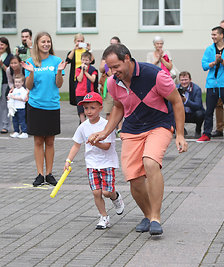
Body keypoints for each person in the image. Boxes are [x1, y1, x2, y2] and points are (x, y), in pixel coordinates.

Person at [88, 44, 188, 236]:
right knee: (133, 177)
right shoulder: (112, 82)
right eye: (110, 68)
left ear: (127, 58)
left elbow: (176, 101)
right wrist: (105, 131)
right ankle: (148, 215)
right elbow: (118, 106)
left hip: (158, 125)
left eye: (116, 66)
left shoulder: (155, 75)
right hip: (132, 129)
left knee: (150, 163)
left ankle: (156, 218)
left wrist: (181, 134)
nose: (113, 72)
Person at [64, 92, 124, 229]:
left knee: (107, 192)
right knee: (96, 192)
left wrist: (94, 142)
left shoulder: (107, 125)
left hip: (107, 163)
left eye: (92, 108)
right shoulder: (83, 127)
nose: (89, 112)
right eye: (86, 109)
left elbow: (107, 146)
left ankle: (116, 197)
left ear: (100, 108)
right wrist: (68, 160)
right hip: (92, 164)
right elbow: (76, 145)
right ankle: (104, 217)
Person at [21, 32, 66, 187]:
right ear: (37, 44)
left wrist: (59, 71)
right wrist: (31, 73)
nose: (46, 44)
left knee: (51, 141)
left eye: (48, 41)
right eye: (43, 42)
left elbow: (59, 84)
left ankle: (49, 174)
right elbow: (29, 86)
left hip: (52, 105)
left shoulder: (56, 61)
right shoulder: (30, 62)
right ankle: (40, 174)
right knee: (38, 140)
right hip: (36, 105)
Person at [99, 36, 123, 133]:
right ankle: (109, 129)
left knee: (119, 107)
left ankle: (120, 128)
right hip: (109, 88)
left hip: (119, 86)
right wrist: (106, 64)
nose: (112, 46)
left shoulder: (122, 55)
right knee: (108, 109)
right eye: (111, 44)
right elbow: (102, 69)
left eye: (114, 44)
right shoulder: (106, 57)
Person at [66, 33, 95, 106]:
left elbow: (93, 61)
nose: (80, 42)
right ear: (75, 41)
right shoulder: (72, 52)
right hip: (76, 76)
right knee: (76, 97)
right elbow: (68, 60)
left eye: (81, 41)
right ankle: (80, 111)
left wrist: (89, 50)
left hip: (85, 75)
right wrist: (74, 49)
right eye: (78, 41)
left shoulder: (85, 52)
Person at [176, 71, 205, 137]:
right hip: (182, 114)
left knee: (200, 113)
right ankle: (180, 130)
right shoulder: (176, 89)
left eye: (186, 80)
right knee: (170, 112)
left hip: (193, 113)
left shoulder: (196, 89)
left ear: (190, 80)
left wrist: (186, 101)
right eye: (182, 80)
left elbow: (198, 105)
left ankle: (198, 130)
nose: (184, 82)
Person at [75, 51, 98, 122]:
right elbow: (79, 79)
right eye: (83, 60)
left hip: (88, 93)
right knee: (81, 111)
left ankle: (91, 124)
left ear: (90, 61)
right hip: (80, 93)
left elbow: (93, 79)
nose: (84, 62)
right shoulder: (78, 69)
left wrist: (86, 72)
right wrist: (82, 70)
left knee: (90, 110)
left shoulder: (92, 70)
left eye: (86, 60)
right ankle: (83, 125)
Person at [8, 74, 28, 139]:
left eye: (19, 82)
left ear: (22, 83)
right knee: (15, 121)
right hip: (14, 108)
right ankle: (16, 131)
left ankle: (24, 132)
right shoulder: (15, 90)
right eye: (16, 82)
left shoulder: (23, 90)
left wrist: (14, 97)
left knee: (22, 121)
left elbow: (23, 98)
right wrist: (10, 97)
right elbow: (11, 96)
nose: (17, 83)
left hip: (21, 108)